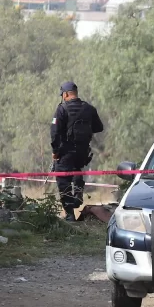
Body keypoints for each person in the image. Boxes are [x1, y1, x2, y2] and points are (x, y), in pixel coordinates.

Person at [50, 81, 104, 222]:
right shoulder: (89, 108)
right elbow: (99, 127)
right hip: (82, 152)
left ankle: (70, 214)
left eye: (63, 95)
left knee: (63, 180)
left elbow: (55, 133)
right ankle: (78, 192)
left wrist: (55, 152)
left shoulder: (61, 109)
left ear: (66, 94)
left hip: (65, 153)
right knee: (77, 170)